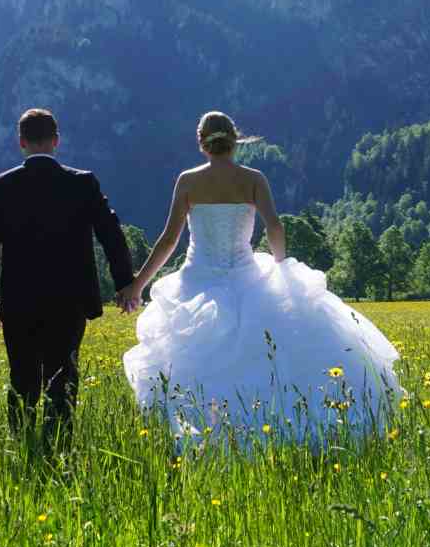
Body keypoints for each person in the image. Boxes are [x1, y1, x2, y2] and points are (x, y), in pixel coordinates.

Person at [118, 111, 400, 448]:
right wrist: (281, 266)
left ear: (200, 142)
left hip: (197, 281)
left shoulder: (188, 181)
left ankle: (207, 433)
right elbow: (275, 227)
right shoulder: (253, 179)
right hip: (246, 273)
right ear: (235, 140)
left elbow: (168, 240)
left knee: (196, 362)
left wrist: (138, 284)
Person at [0, 108, 136, 451]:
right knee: (63, 376)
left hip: (19, 300)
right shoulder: (82, 182)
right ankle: (60, 450)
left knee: (22, 378)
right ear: (56, 141)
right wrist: (126, 284)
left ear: (21, 142)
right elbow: (111, 235)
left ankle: (21, 446)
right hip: (70, 299)